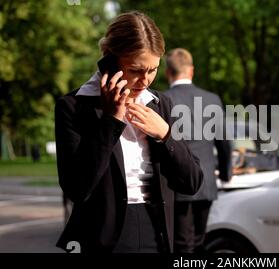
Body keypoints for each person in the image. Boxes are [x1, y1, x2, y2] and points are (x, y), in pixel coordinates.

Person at [54, 12, 203, 253]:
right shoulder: (73, 106)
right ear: (109, 60)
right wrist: (112, 120)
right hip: (103, 239)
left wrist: (165, 135)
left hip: (158, 231)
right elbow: (77, 189)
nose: (145, 81)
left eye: (153, 70)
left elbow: (192, 182)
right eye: (135, 70)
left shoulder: (160, 105)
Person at [164, 48, 232, 253]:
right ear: (191, 71)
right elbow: (223, 142)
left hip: (175, 184)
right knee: (200, 242)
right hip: (206, 182)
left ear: (168, 72)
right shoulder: (212, 99)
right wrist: (226, 172)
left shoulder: (163, 100)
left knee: (181, 243)